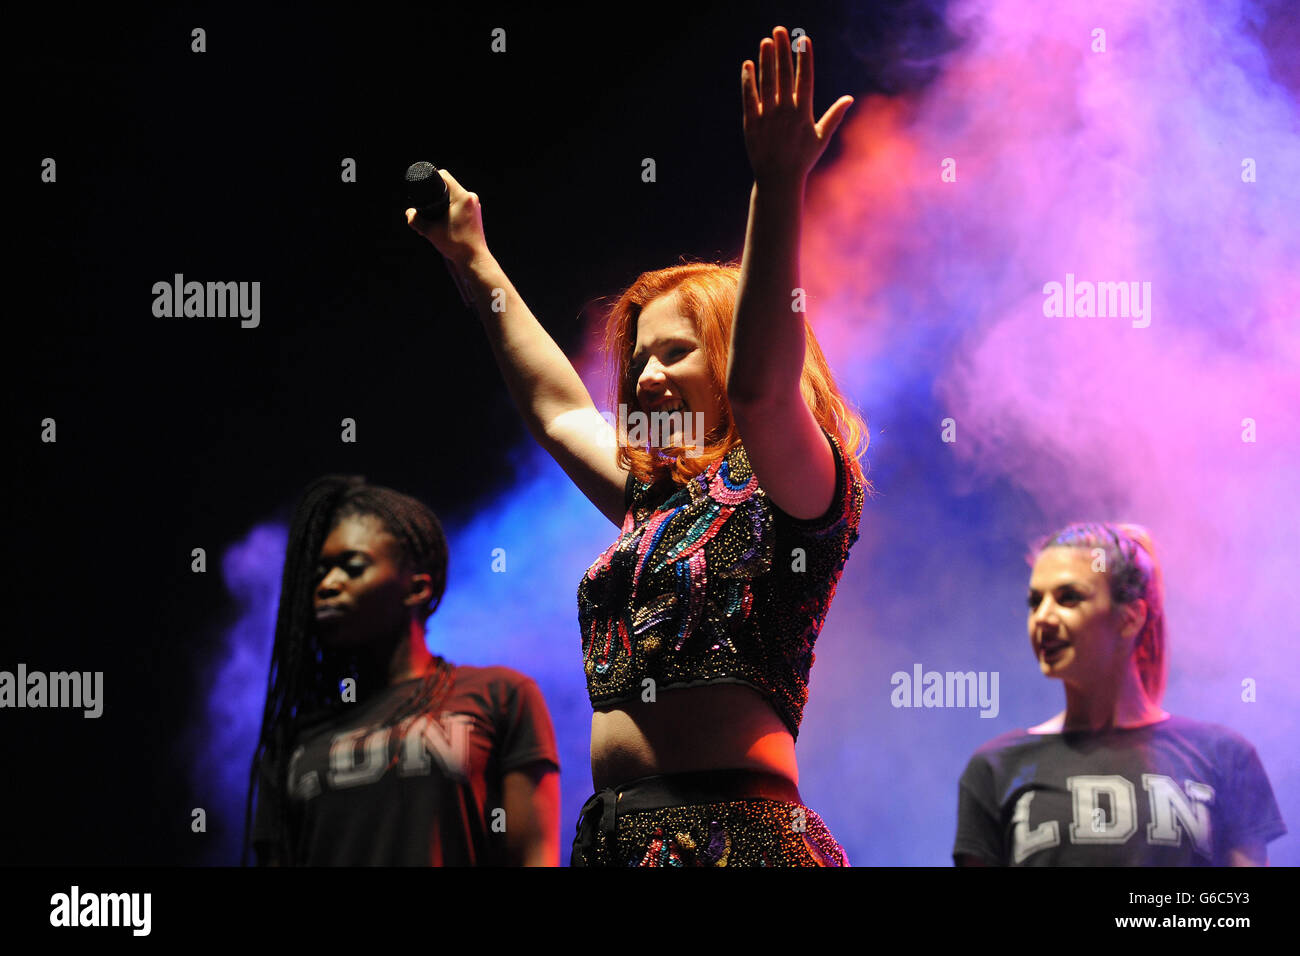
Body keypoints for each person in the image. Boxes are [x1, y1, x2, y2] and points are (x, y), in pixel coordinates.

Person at [407, 26, 867, 866]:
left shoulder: (798, 486)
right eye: (640, 358)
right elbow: (556, 411)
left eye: (676, 352)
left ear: (730, 353)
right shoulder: (656, 497)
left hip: (738, 839)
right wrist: (473, 258)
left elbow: (764, 388)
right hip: (618, 840)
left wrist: (776, 184)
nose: (647, 379)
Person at [243, 475, 561, 865]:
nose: (327, 585)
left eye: (352, 567)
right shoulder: (291, 742)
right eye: (319, 572)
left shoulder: (501, 695)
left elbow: (532, 855)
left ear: (417, 589)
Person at [953, 522, 1286, 866]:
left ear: (1130, 618)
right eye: (1035, 602)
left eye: (1069, 597)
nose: (1043, 618)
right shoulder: (997, 768)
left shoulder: (1223, 757)